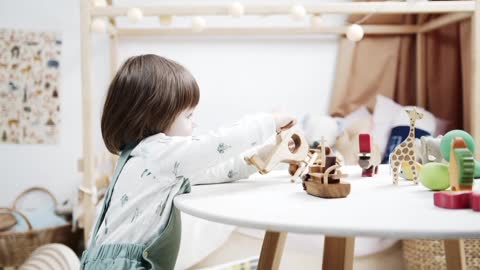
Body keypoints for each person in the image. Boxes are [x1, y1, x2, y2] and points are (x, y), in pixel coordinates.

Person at [80, 54, 296, 269]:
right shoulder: (158, 154)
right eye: (189, 116)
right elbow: (217, 145)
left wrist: (268, 154)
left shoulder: (146, 159)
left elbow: (219, 169)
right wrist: (269, 123)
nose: (194, 124)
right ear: (157, 115)